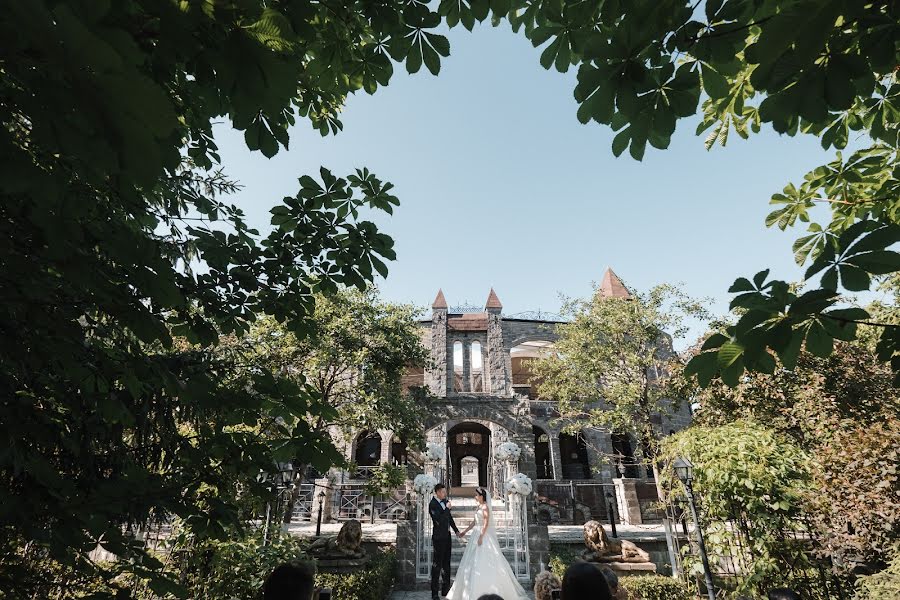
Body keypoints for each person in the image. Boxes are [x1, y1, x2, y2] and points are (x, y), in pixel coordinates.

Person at [446, 487, 529, 600]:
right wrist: (464, 531)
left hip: (482, 535)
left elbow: (485, 523)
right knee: (471, 560)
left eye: (476, 495)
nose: (475, 497)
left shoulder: (485, 507)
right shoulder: (479, 507)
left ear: (481, 496)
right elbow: (475, 522)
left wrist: (481, 536)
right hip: (476, 534)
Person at [430, 483, 462, 599]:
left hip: (447, 537)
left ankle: (445, 590)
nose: (445, 493)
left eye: (445, 492)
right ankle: (434, 593)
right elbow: (439, 520)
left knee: (446, 564)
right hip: (438, 538)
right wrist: (447, 509)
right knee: (437, 565)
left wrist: (456, 531)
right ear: (437, 492)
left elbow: (449, 518)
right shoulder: (432, 504)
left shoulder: (444, 501)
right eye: (443, 492)